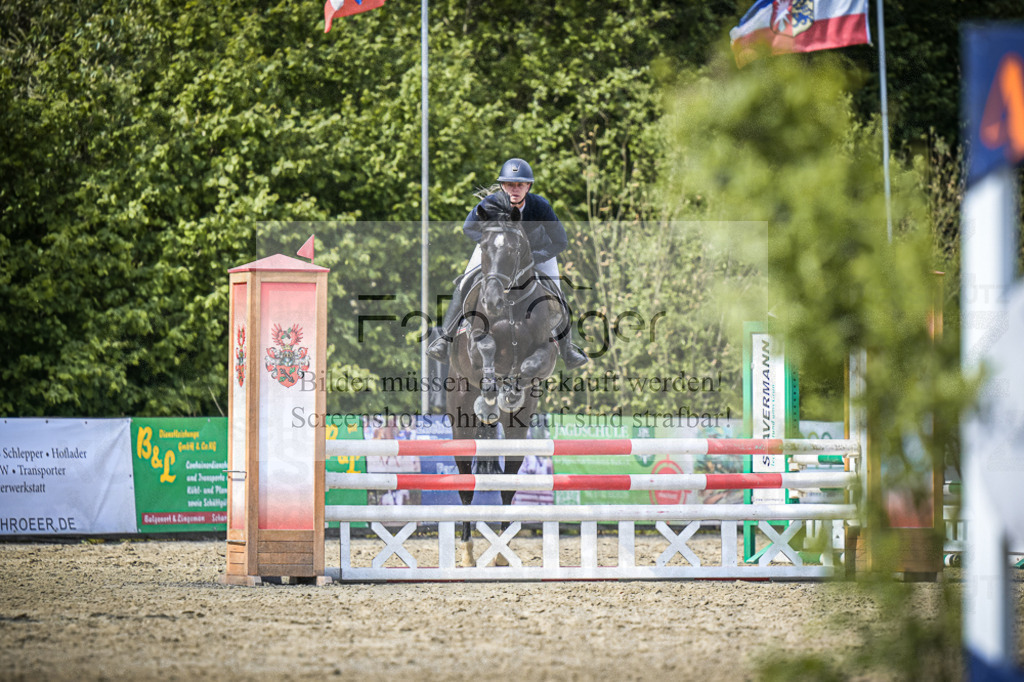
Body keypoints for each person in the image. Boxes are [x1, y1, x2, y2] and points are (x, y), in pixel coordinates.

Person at [426, 158, 589, 369]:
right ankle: (444, 339)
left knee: (556, 291)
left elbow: (561, 241)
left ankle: (568, 350)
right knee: (465, 281)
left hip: (537, 252)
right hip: (496, 249)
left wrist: (535, 258)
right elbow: (469, 227)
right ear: (503, 185)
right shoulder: (491, 203)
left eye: (520, 184)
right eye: (510, 184)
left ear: (528, 186)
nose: (515, 189)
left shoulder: (540, 207)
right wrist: (492, 248)